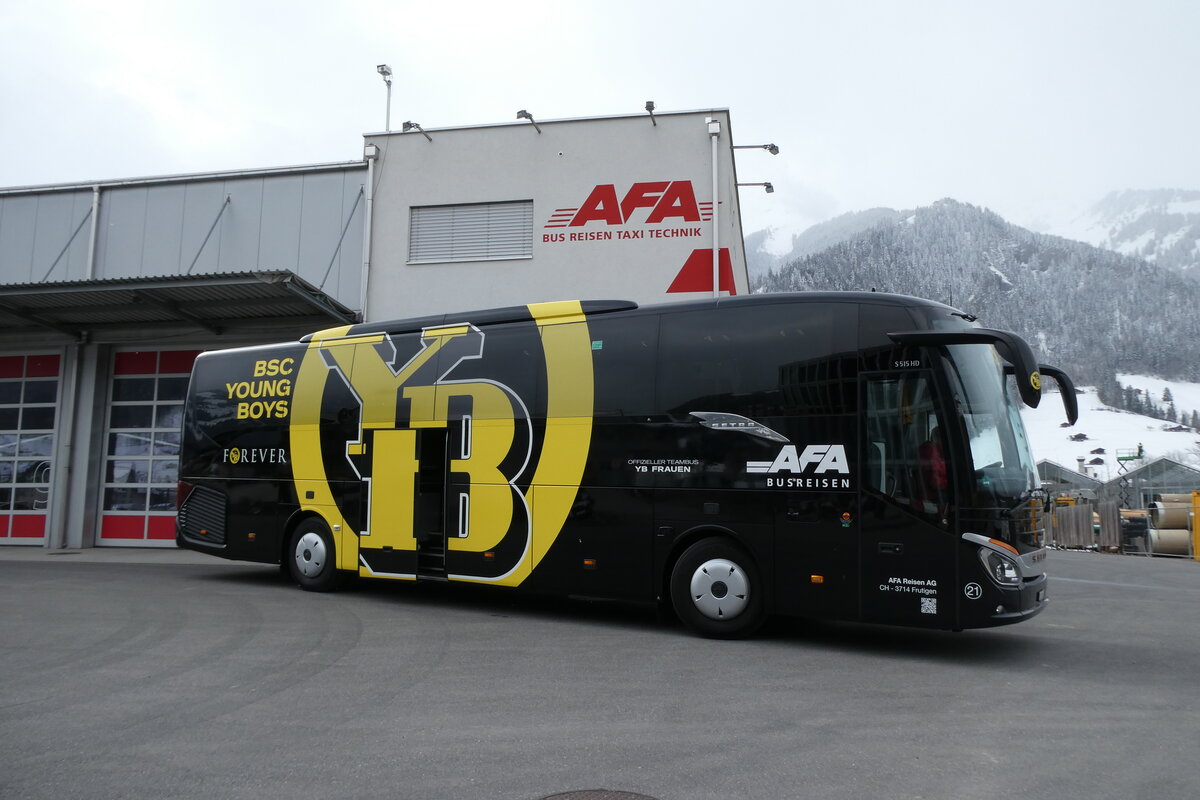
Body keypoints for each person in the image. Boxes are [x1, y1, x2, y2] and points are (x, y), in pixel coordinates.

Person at [915, 426, 947, 515]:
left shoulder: (940, 455)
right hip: (931, 499)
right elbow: (935, 483)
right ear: (937, 438)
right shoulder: (930, 450)